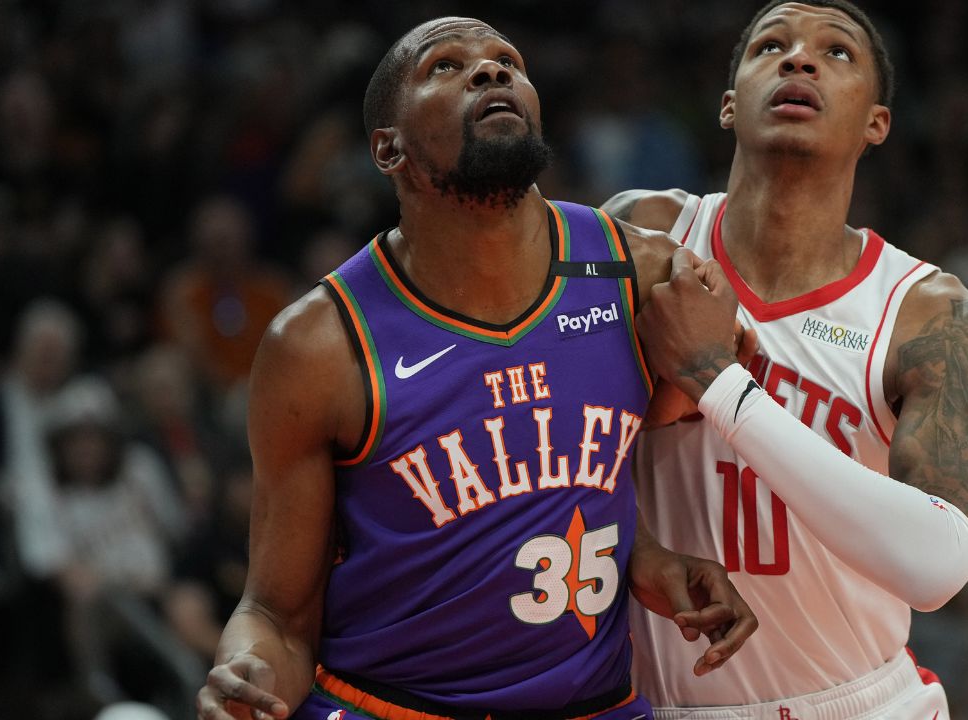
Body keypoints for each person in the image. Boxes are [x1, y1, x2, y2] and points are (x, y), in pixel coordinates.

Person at [197, 17, 757, 720]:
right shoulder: (318, 344)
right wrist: (242, 675)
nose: (491, 72)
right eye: (446, 67)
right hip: (392, 705)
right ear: (387, 148)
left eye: (506, 62)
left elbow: (589, 470)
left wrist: (647, 556)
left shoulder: (639, 273)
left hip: (597, 705)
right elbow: (277, 614)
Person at [602, 1, 968, 718]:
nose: (798, 59)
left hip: (856, 702)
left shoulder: (931, 314)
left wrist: (717, 385)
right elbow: (563, 444)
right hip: (654, 703)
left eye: (837, 52)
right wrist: (638, 550)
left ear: (875, 122)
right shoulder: (644, 233)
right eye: (771, 46)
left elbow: (937, 567)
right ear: (729, 106)